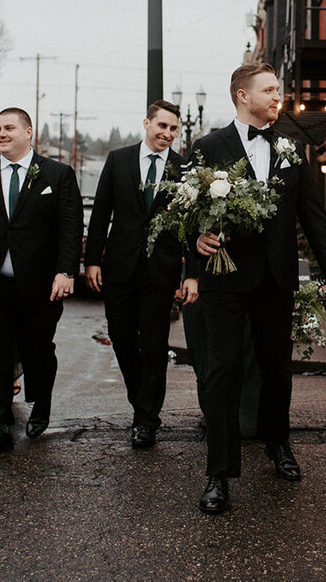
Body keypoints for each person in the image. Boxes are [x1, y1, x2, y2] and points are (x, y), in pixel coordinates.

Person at [188, 63, 326, 515]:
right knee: (222, 372)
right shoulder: (208, 147)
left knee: (277, 368)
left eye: (279, 88)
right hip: (224, 277)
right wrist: (195, 241)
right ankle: (218, 473)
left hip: (277, 279)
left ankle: (279, 443)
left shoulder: (293, 150)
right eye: (270, 89)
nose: (279, 95)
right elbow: (184, 211)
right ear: (242, 95)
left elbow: (313, 216)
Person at [0, 107, 83, 458]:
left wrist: (66, 272)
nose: (1, 134)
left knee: (36, 349)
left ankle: (42, 399)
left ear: (28, 132)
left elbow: (70, 228)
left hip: (39, 285)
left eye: (9, 128)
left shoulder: (57, 174)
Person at [85, 100, 196, 449]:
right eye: (161, 126)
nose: (167, 134)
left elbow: (193, 226)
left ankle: (146, 419)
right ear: (146, 123)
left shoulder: (183, 168)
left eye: (173, 129)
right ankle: (141, 400)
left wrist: (190, 274)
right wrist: (92, 261)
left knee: (153, 344)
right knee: (120, 337)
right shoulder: (118, 160)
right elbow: (101, 212)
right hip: (119, 267)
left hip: (160, 272)